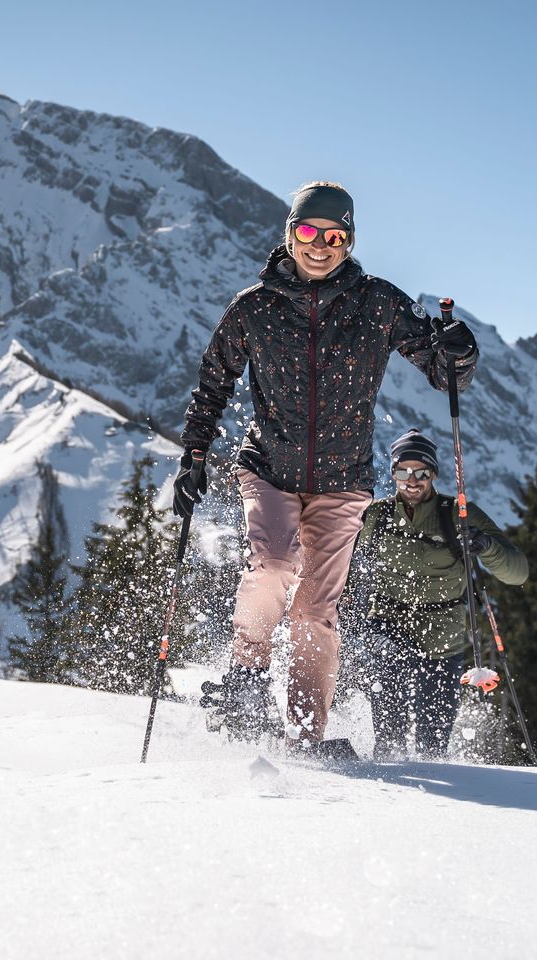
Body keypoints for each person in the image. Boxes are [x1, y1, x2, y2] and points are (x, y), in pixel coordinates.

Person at [173, 182, 478, 749]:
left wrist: (461, 351)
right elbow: (212, 382)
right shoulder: (254, 307)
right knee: (274, 564)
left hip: (343, 483)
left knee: (316, 608)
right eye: (308, 232)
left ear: (349, 242)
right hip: (268, 467)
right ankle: (244, 681)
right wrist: (194, 456)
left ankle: (304, 733)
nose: (320, 245)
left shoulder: (378, 302)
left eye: (334, 235)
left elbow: (444, 372)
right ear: (290, 234)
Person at [347, 429, 528, 760]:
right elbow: (339, 556)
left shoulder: (456, 514)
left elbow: (518, 572)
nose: (412, 480)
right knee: (390, 722)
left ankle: (436, 794)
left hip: (444, 638)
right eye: (403, 471)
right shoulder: (377, 515)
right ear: (393, 474)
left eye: (421, 472)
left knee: (434, 741)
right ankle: (387, 776)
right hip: (388, 625)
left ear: (433, 474)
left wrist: (484, 546)